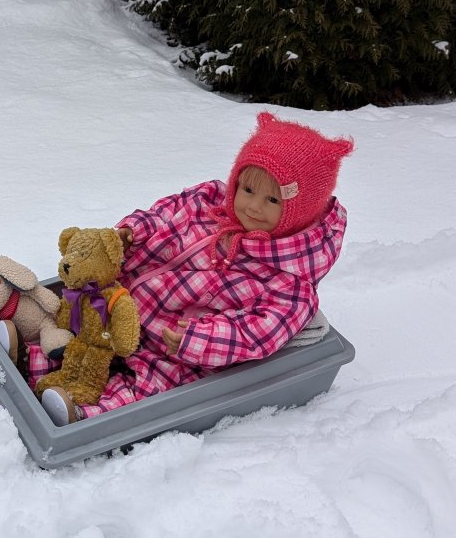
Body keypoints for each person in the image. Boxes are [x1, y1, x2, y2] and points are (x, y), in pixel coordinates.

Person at [33, 111, 354, 426]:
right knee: (80, 327)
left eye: (273, 200)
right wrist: (135, 232)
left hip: (172, 346)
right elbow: (163, 215)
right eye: (248, 190)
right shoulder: (207, 200)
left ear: (300, 209)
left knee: (154, 387)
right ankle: (33, 357)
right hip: (121, 302)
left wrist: (198, 340)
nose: (254, 206)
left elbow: (253, 333)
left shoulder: (291, 284)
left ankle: (82, 414)